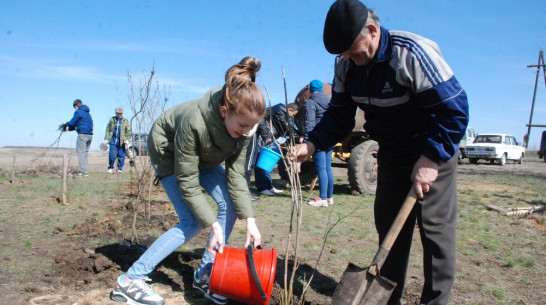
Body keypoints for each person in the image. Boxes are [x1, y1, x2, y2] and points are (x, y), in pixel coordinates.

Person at [291, 1, 469, 304]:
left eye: (350, 49)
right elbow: (339, 116)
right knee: (389, 231)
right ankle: (388, 299)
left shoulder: (411, 53)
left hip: (431, 152)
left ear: (372, 31)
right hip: (392, 155)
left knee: (436, 237)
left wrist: (430, 158)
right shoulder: (347, 64)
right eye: (342, 53)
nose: (346, 57)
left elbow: (454, 110)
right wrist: (311, 144)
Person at [110, 57, 265, 305]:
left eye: (252, 126)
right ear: (224, 111)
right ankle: (129, 281)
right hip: (169, 152)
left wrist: (251, 220)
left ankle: (205, 274)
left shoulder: (245, 124)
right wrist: (214, 226)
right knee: (192, 221)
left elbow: (237, 175)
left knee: (231, 204)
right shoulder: (194, 122)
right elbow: (187, 178)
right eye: (243, 126)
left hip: (203, 155)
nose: (247, 132)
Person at [255, 103, 300, 196]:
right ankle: (262, 188)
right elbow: (286, 128)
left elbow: (287, 129)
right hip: (262, 139)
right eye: (294, 115)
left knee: (267, 164)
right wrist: (298, 137)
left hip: (268, 139)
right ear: (290, 110)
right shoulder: (280, 111)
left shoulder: (280, 111)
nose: (292, 117)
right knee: (261, 164)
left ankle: (269, 186)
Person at [304, 80, 334, 207]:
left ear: (310, 89)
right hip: (330, 137)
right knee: (328, 168)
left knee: (321, 169)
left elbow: (310, 122)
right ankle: (329, 197)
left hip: (318, 139)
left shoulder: (311, 102)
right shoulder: (328, 100)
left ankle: (322, 199)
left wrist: (307, 141)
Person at [63, 99, 93, 177]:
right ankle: (85, 171)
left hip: (82, 135)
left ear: (76, 107)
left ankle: (83, 171)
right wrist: (68, 129)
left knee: (80, 153)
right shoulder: (87, 113)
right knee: (85, 153)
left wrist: (66, 123)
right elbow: (77, 125)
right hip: (90, 135)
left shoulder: (78, 112)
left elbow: (72, 123)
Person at [104, 107, 131, 173]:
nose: (119, 115)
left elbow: (128, 131)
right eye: (118, 113)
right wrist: (106, 138)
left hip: (122, 142)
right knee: (112, 155)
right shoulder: (112, 120)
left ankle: (119, 169)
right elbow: (108, 129)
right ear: (116, 113)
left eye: (121, 113)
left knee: (121, 155)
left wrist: (127, 139)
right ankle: (110, 167)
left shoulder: (125, 121)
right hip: (113, 140)